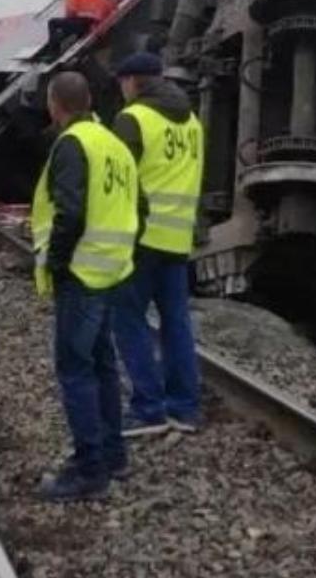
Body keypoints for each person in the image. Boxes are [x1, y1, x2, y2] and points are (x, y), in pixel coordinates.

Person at [31, 71, 138, 502]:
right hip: (111, 268)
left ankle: (88, 469)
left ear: (54, 105)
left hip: (80, 272)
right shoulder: (114, 144)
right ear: (90, 98)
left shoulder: (73, 144)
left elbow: (70, 212)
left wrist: (56, 263)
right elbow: (138, 207)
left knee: (75, 370)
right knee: (103, 364)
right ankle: (114, 454)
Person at [109, 52, 205, 436]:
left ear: (133, 81)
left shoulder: (133, 118)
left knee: (127, 320)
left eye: (122, 83)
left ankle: (148, 408)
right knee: (176, 323)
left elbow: (117, 182)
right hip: (177, 238)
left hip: (140, 238)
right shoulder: (193, 122)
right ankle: (185, 408)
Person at [46, 0, 115, 53]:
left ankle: (53, 51)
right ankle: (58, 43)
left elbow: (71, 12)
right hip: (92, 25)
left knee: (52, 22)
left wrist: (68, 22)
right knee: (66, 31)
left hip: (81, 23)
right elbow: (110, 9)